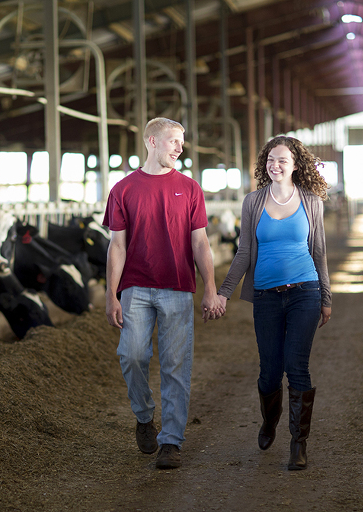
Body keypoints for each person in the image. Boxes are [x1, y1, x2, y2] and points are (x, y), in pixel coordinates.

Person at [103, 117, 224, 470]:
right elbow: (117, 246)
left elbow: (200, 241)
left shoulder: (189, 188)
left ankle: (171, 441)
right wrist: (111, 294)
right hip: (135, 288)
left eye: (181, 142)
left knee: (175, 365)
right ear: (152, 142)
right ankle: (144, 416)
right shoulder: (123, 190)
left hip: (177, 288)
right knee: (132, 355)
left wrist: (210, 289)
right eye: (173, 141)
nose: (180, 147)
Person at [217, 135, 331, 471]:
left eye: (282, 160)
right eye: (270, 159)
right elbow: (244, 253)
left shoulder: (311, 201)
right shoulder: (253, 201)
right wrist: (224, 291)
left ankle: (298, 443)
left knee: (297, 367)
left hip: (304, 293)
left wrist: (326, 297)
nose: (275, 165)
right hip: (266, 297)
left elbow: (320, 252)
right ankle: (271, 419)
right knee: (269, 372)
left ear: (296, 165)